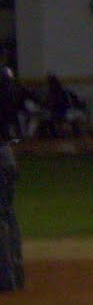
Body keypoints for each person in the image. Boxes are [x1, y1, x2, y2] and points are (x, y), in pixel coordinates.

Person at [0, 67, 25, 291]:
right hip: (6, 153)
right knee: (8, 214)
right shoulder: (6, 78)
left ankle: (5, 279)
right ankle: (16, 274)